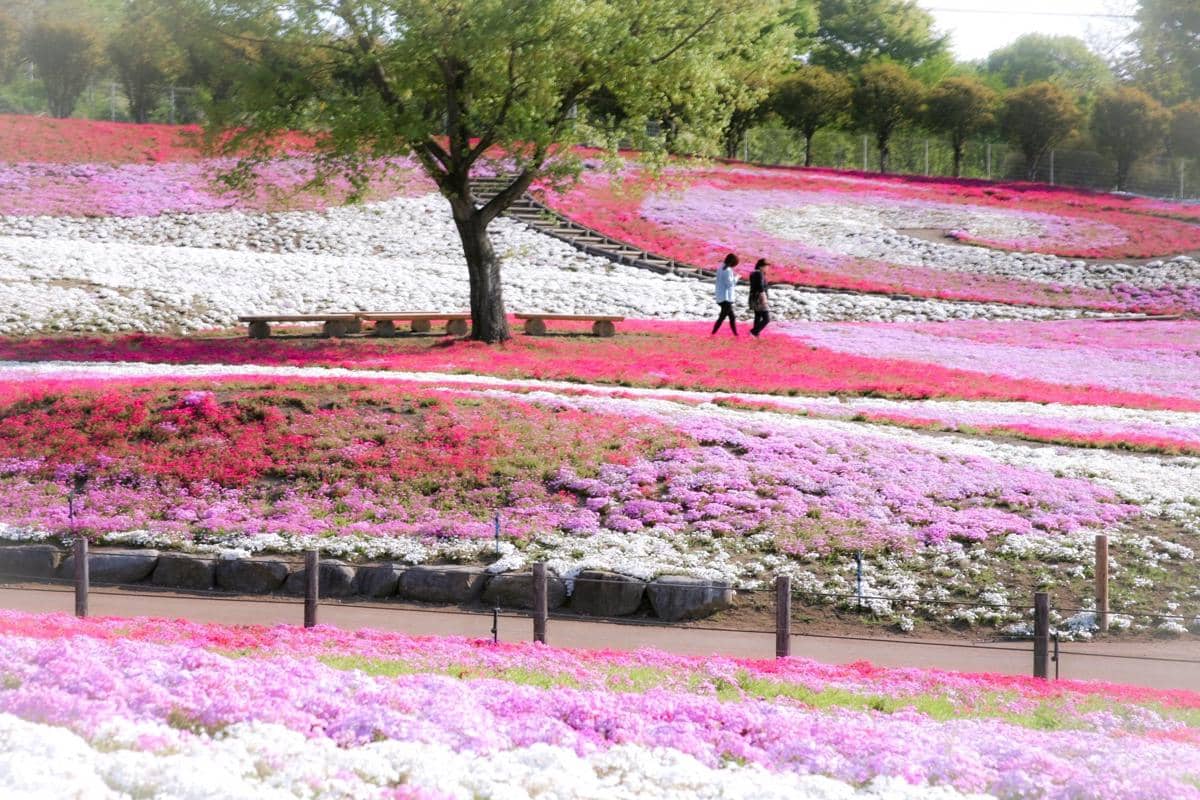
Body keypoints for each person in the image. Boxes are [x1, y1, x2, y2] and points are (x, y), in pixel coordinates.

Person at [711, 253, 739, 336]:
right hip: (726, 298)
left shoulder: (721, 267)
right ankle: (713, 334)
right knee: (723, 317)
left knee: (731, 317)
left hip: (721, 296)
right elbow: (730, 284)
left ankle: (736, 335)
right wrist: (736, 278)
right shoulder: (727, 270)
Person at [749, 258, 770, 337]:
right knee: (766, 319)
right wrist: (764, 297)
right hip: (759, 298)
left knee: (757, 316)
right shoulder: (759, 273)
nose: (767, 268)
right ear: (761, 266)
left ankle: (756, 335)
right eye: (767, 266)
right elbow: (761, 287)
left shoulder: (753, 273)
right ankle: (753, 332)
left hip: (753, 298)